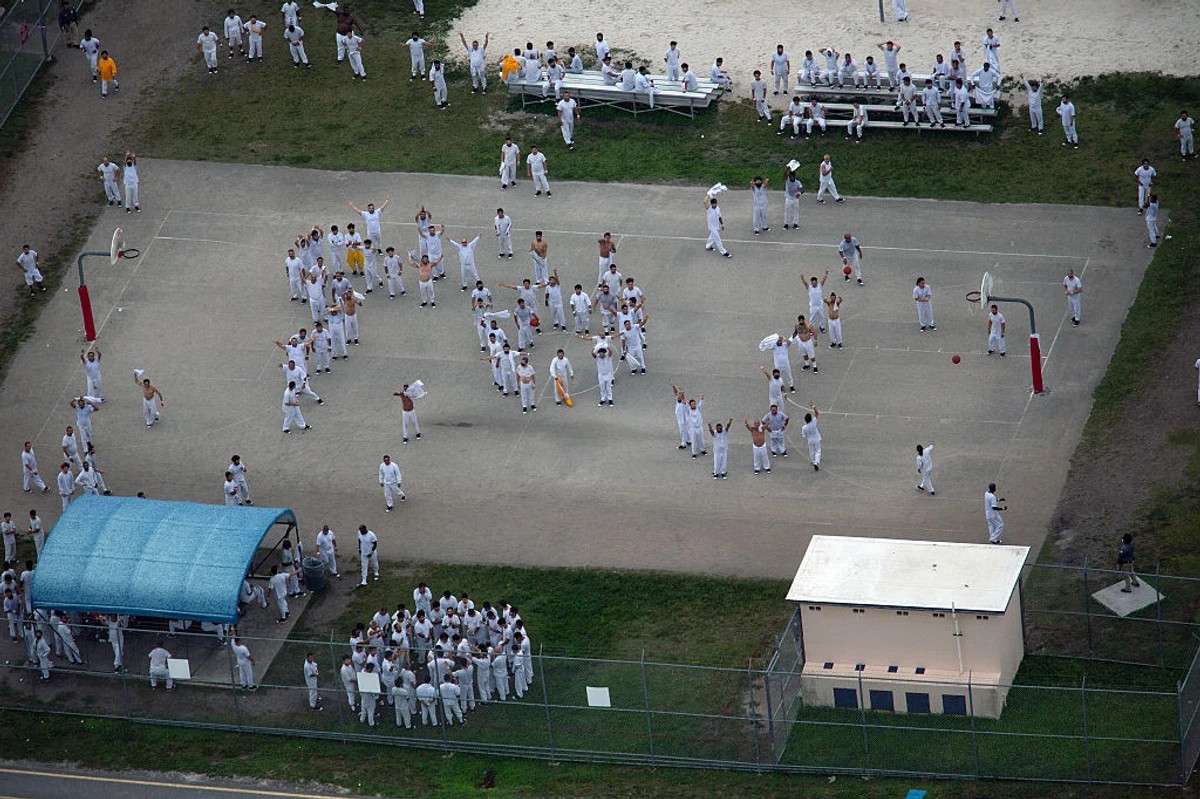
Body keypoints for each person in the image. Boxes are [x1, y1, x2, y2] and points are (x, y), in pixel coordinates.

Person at [800, 405, 821, 471]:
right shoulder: (813, 422)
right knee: (818, 451)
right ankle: (816, 462)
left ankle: (812, 461)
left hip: (810, 440)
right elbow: (817, 413)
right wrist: (814, 407)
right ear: (811, 418)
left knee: (811, 451)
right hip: (816, 439)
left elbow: (803, 436)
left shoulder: (804, 427)